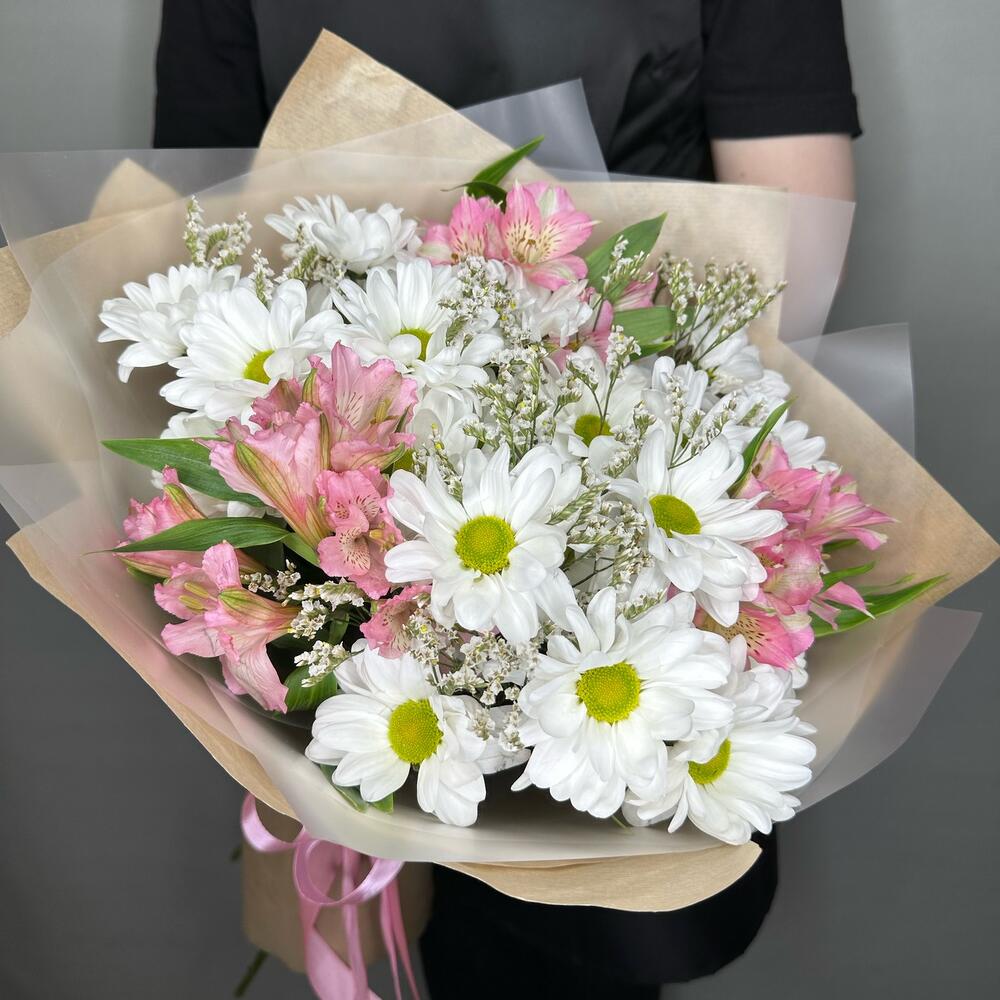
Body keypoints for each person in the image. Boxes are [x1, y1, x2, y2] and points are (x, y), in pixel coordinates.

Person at [154, 3, 859, 996]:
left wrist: (591, 463)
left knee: (583, 946)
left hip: (634, 565)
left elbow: (784, 277)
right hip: (343, 586)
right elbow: (192, 241)